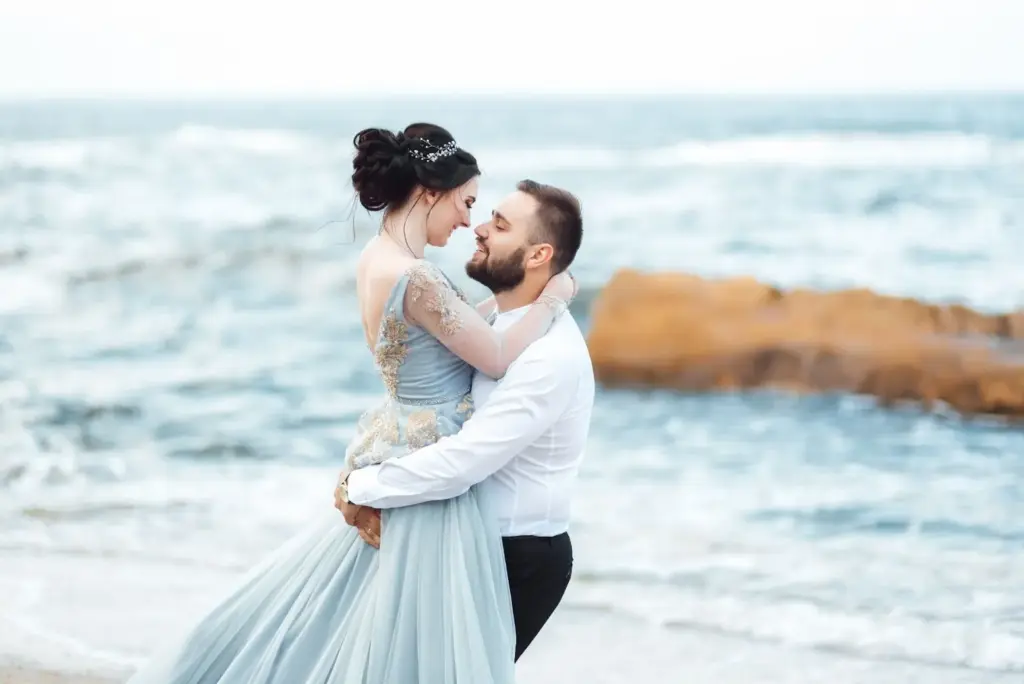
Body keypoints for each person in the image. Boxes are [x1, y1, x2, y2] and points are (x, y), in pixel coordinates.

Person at [124, 123, 575, 684]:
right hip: (431, 457)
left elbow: (450, 334)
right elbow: (499, 355)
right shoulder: (418, 279)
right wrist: (553, 300)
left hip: (395, 435)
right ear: (430, 191)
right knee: (416, 644)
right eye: (466, 203)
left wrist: (504, 306)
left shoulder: (377, 257)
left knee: (367, 618)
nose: (467, 221)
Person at [335, 178, 594, 661]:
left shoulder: (548, 358)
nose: (478, 228)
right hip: (461, 540)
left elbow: (464, 461)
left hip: (517, 556)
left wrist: (361, 486)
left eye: (498, 224)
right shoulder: (501, 321)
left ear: (537, 256)